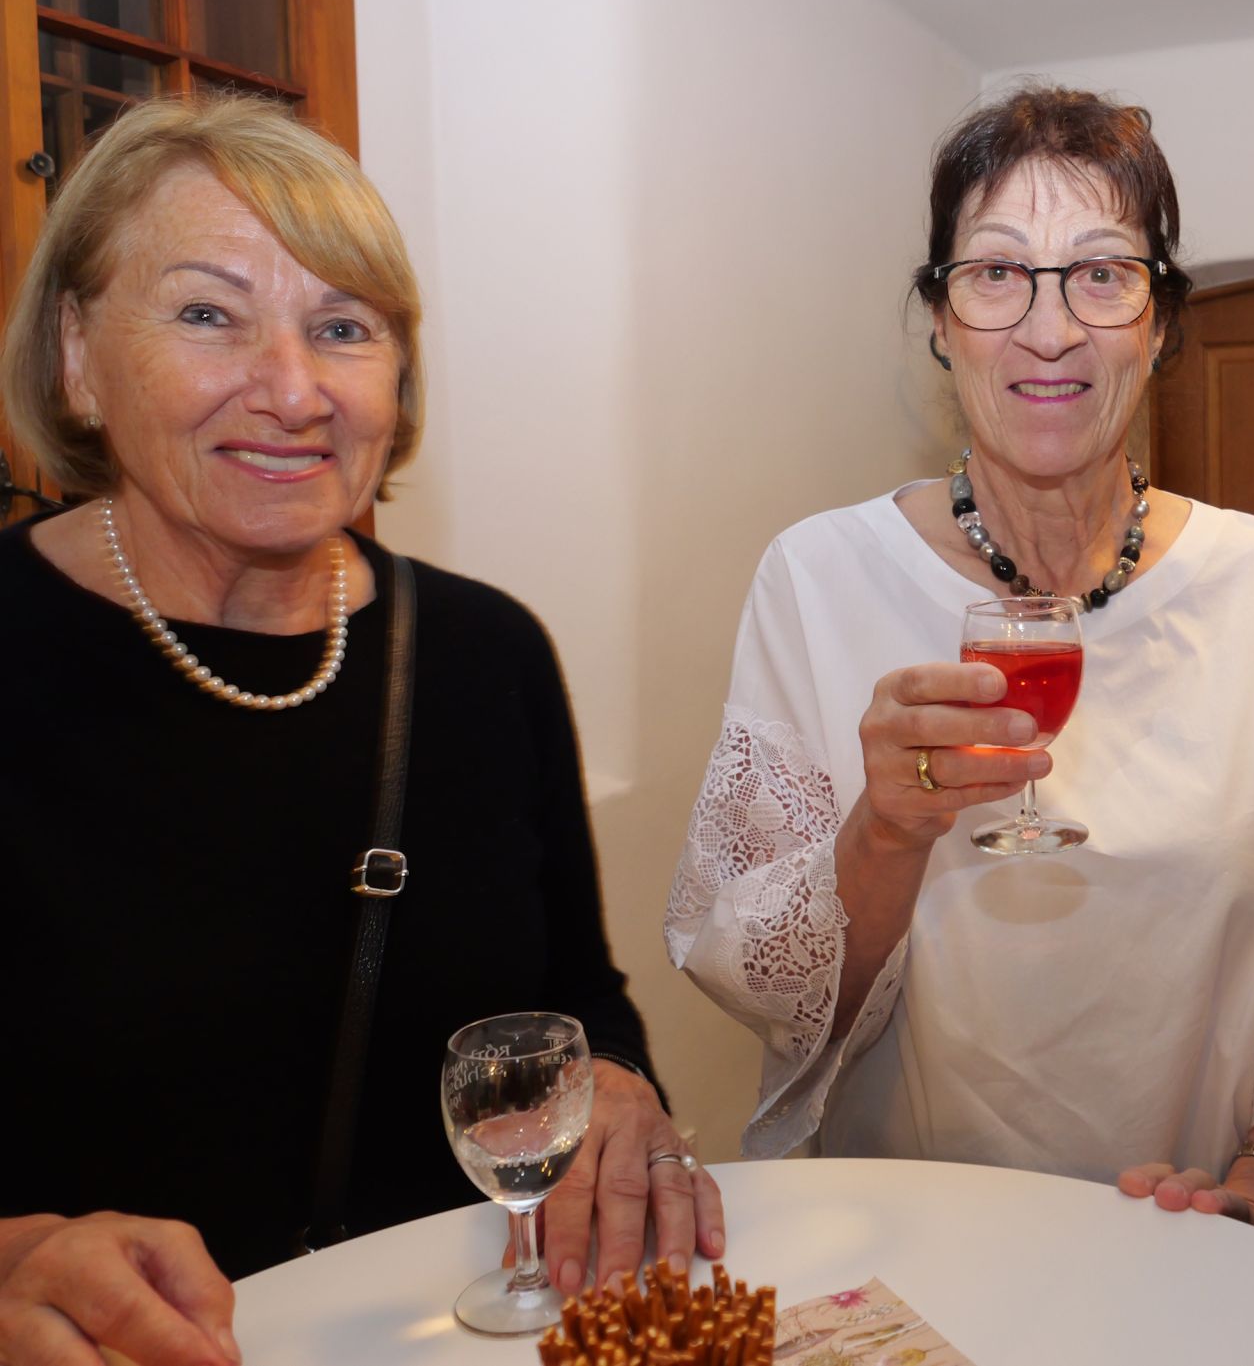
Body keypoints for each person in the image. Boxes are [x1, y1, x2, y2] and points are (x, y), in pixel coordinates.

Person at [0, 96, 722, 1365]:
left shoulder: (487, 651)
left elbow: (573, 995)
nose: (292, 391)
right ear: (74, 354)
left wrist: (614, 1083)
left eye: (342, 327)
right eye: (207, 314)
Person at [666, 86, 1254, 1244]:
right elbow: (768, 989)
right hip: (904, 1241)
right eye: (997, 273)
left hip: (1185, 1235)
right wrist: (886, 832)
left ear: (1158, 323)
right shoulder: (818, 579)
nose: (1047, 329)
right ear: (940, 319)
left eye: (1101, 274)